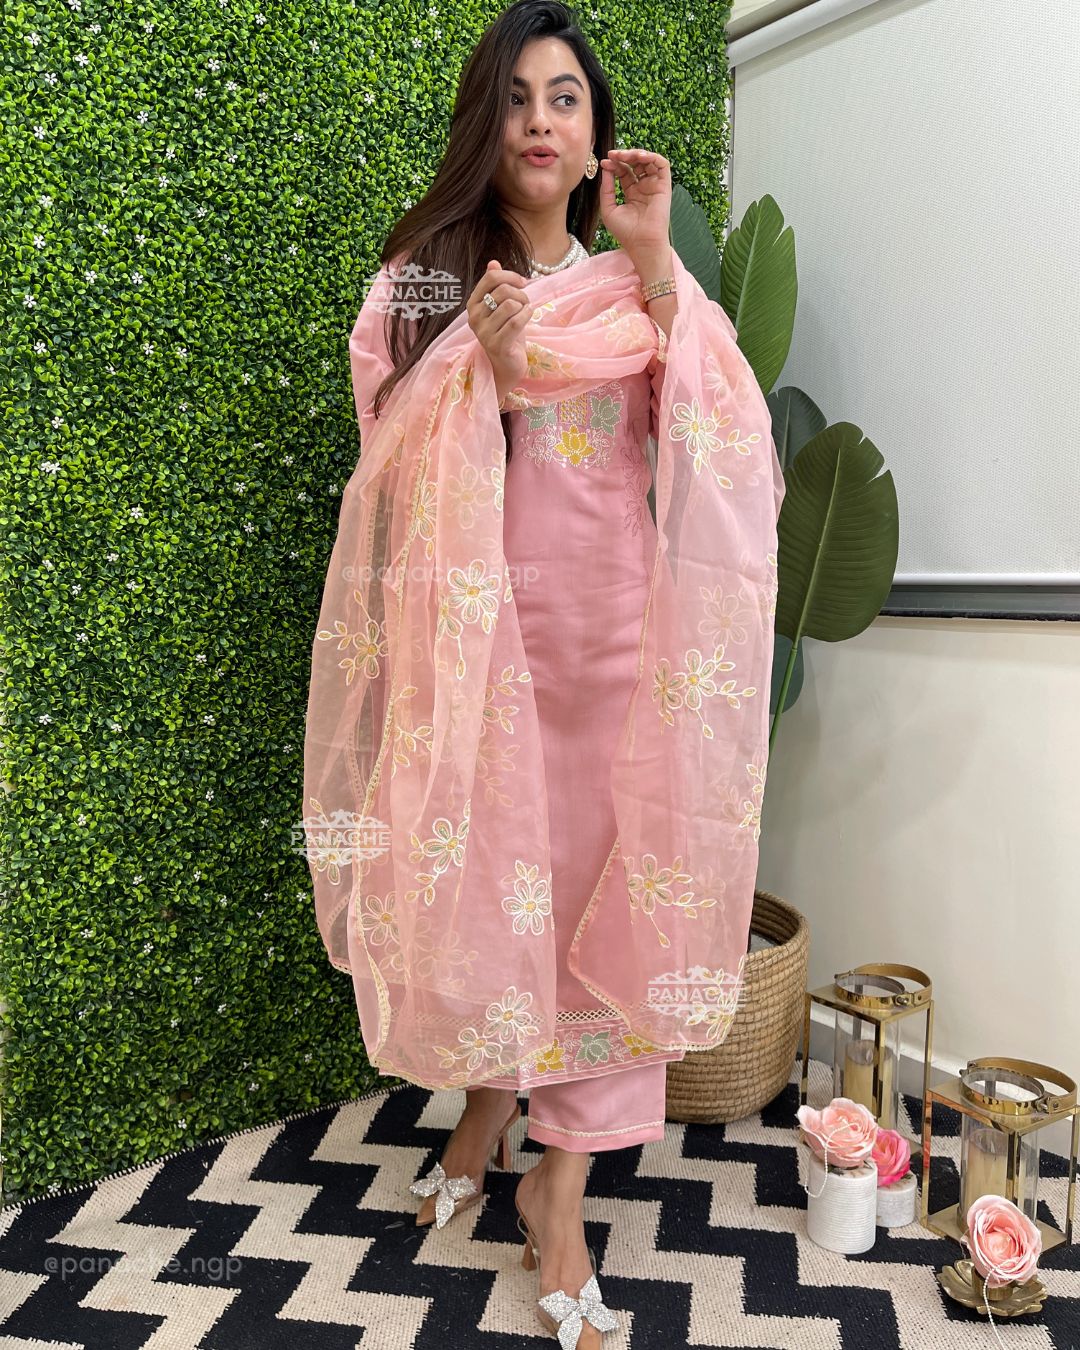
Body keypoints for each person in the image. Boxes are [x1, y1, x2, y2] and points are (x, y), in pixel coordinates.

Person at [303, 4, 784, 1344]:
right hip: (477, 656)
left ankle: (555, 1188)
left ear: (595, 140)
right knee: (491, 891)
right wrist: (490, 370)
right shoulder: (426, 277)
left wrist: (654, 258)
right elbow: (381, 458)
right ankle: (486, 1105)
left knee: (604, 905)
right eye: (516, 97)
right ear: (487, 121)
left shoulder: (634, 282)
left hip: (616, 656)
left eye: (565, 99)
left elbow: (724, 433)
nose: (539, 120)